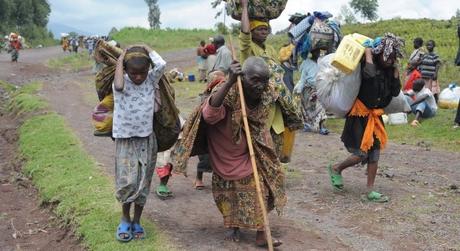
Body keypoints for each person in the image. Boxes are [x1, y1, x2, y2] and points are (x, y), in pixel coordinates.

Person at [201, 57, 284, 247]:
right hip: (225, 146)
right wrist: (230, 81)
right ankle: (234, 225)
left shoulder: (266, 92)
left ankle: (262, 232)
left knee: (265, 182)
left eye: (264, 80)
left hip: (252, 146)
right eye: (255, 80)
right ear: (243, 77)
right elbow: (209, 115)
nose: (260, 85)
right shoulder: (228, 90)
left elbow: (261, 119)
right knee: (229, 189)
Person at [327, 33, 403, 203]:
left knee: (374, 154)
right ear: (378, 53)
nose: (391, 59)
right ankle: (336, 168)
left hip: (375, 117)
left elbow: (396, 92)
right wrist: (368, 53)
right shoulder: (366, 65)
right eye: (387, 55)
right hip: (359, 115)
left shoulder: (390, 71)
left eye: (393, 56)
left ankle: (369, 191)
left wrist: (396, 75)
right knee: (360, 154)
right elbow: (369, 76)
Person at [112, 44, 166, 241]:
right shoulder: (121, 82)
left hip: (146, 138)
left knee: (143, 182)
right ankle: (125, 218)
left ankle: (137, 221)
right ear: (126, 70)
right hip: (125, 140)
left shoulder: (151, 79)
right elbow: (118, 86)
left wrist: (147, 48)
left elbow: (161, 64)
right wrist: (121, 58)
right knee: (127, 181)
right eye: (133, 73)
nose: (138, 77)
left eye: (142, 72)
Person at [239, 0, 302, 160]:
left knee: (276, 148)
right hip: (258, 103)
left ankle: (274, 177)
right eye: (259, 29)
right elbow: (244, 35)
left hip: (276, 104)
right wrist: (245, 7)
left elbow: (277, 75)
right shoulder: (248, 49)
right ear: (252, 31)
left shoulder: (271, 49)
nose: (264, 32)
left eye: (266, 29)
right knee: (258, 147)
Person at [294, 48, 329, 135]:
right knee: (307, 108)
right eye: (315, 51)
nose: (317, 53)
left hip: (318, 89)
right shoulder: (306, 62)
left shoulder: (322, 63)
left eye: (318, 51)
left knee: (321, 107)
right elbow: (303, 77)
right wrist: (299, 90)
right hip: (307, 89)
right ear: (312, 52)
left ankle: (322, 127)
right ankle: (307, 124)